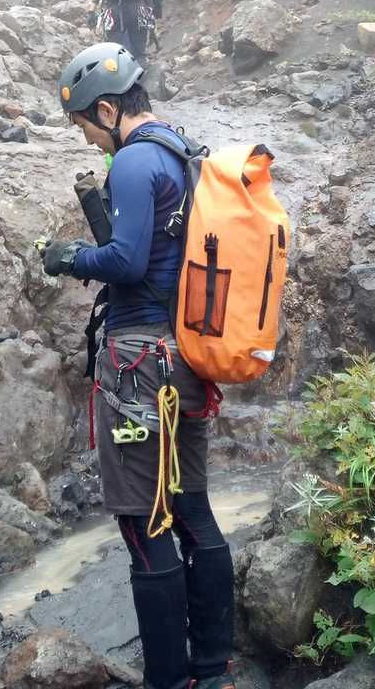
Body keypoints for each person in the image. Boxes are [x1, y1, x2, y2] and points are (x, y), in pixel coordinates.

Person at [44, 43, 235, 689]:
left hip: (138, 366)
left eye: (85, 126)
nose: (88, 140)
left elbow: (125, 261)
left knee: (142, 520)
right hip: (188, 356)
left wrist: (69, 257)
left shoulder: (131, 160)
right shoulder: (182, 152)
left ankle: (168, 680)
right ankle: (213, 669)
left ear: (106, 110)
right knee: (190, 508)